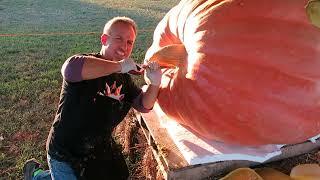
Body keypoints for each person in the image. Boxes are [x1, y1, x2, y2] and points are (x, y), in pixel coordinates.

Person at [23, 16, 162, 180]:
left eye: (130, 42)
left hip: (97, 148)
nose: (124, 46)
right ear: (104, 39)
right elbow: (70, 69)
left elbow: (143, 105)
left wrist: (154, 83)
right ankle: (36, 176)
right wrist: (120, 66)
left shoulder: (124, 80)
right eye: (119, 38)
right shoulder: (88, 63)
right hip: (66, 151)